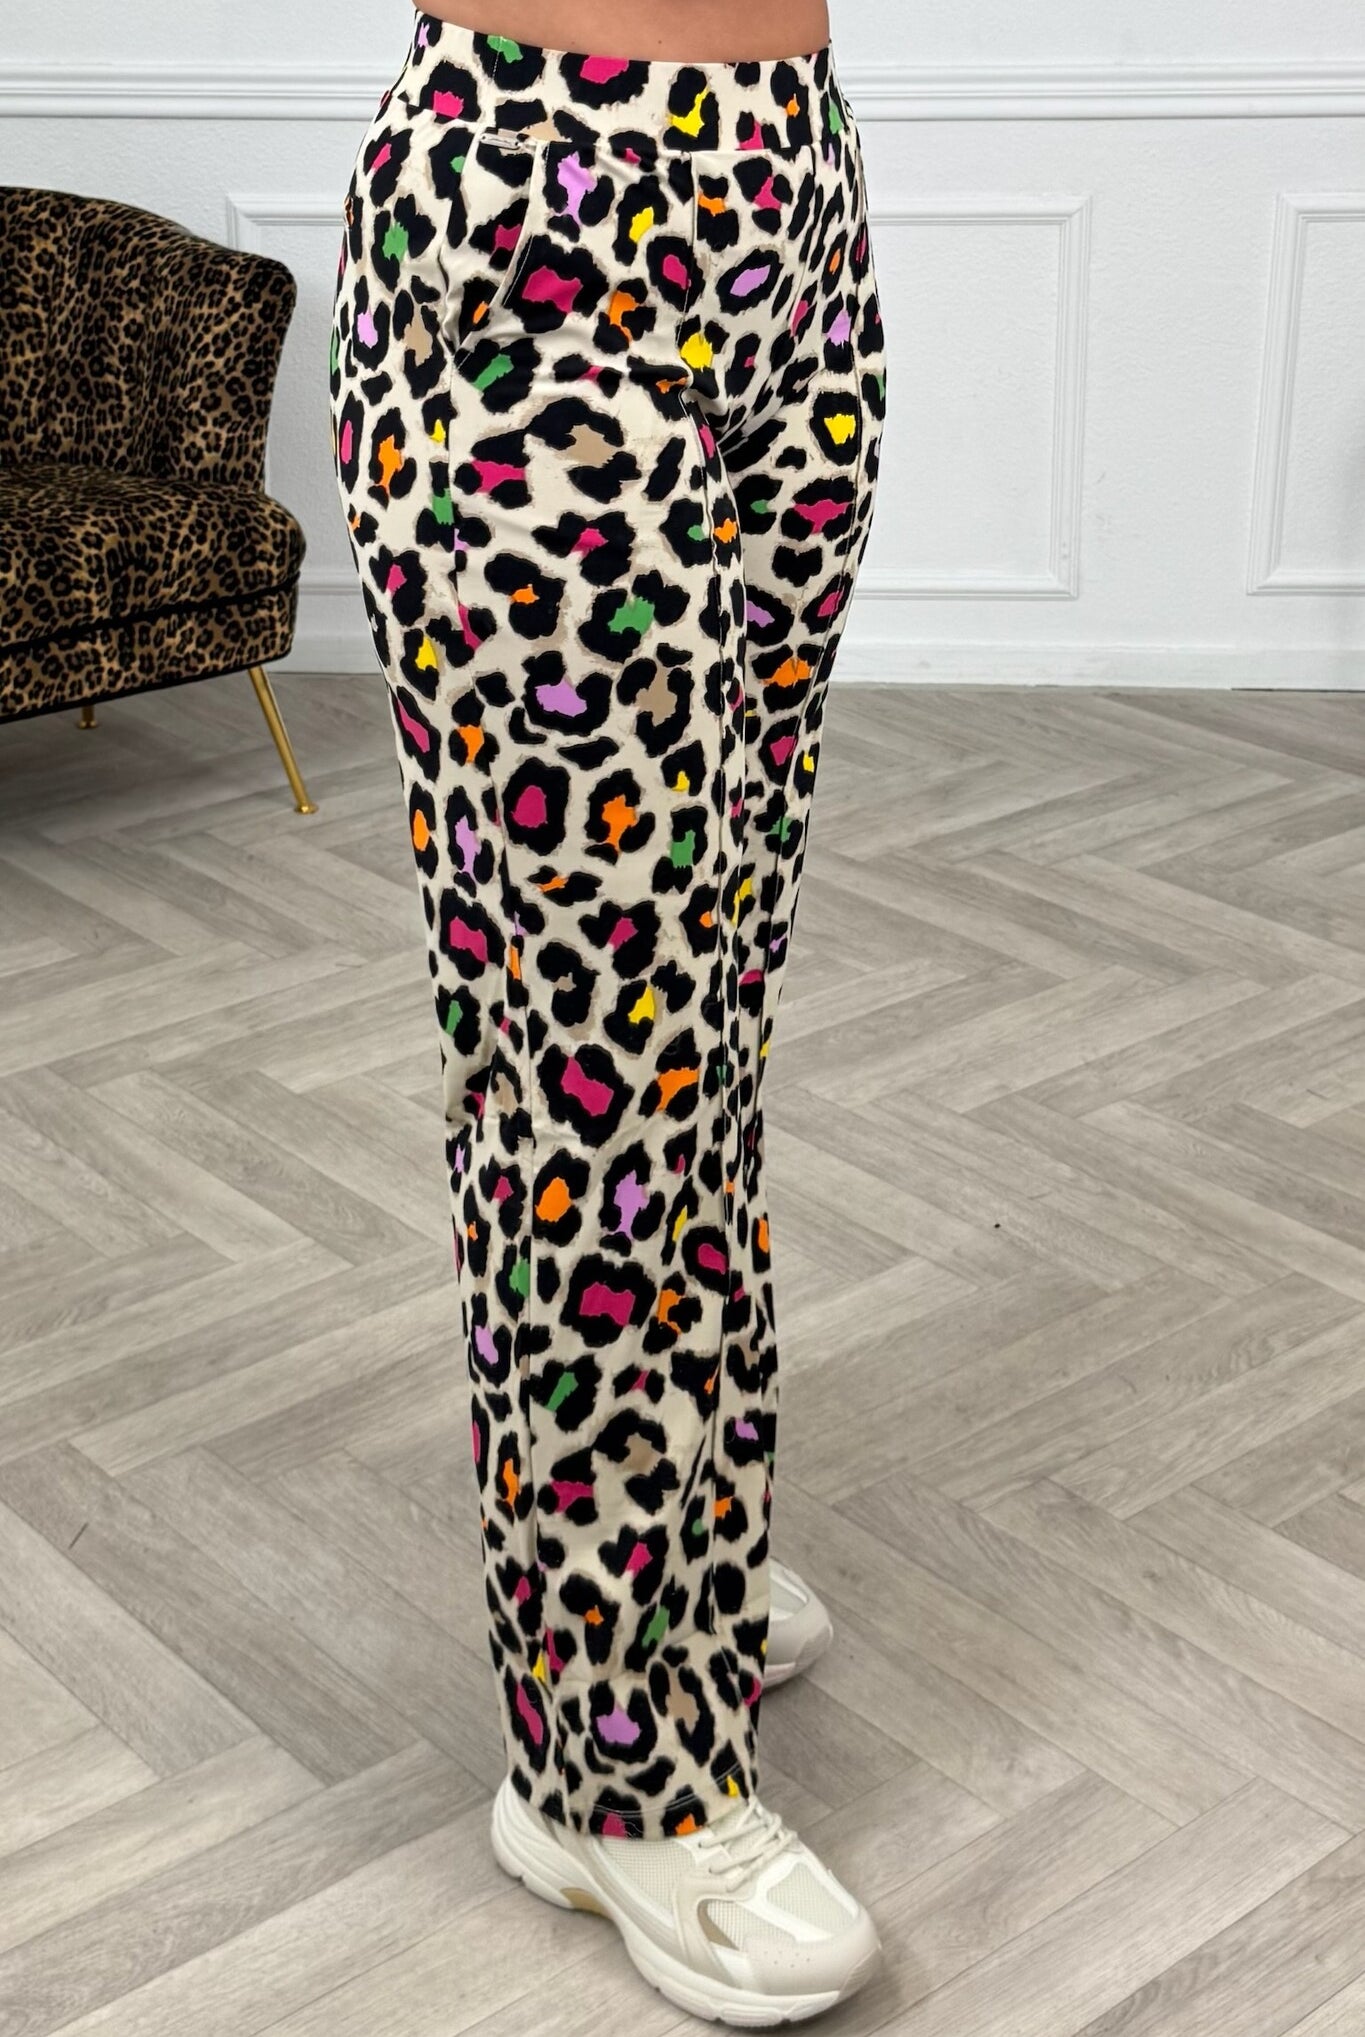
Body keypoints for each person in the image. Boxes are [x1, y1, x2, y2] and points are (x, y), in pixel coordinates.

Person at [328, 2, 886, 2021]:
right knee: (593, 1065)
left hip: (787, 185)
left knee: (707, 1001)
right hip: (532, 204)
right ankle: (605, 1771)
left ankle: (685, 1553)